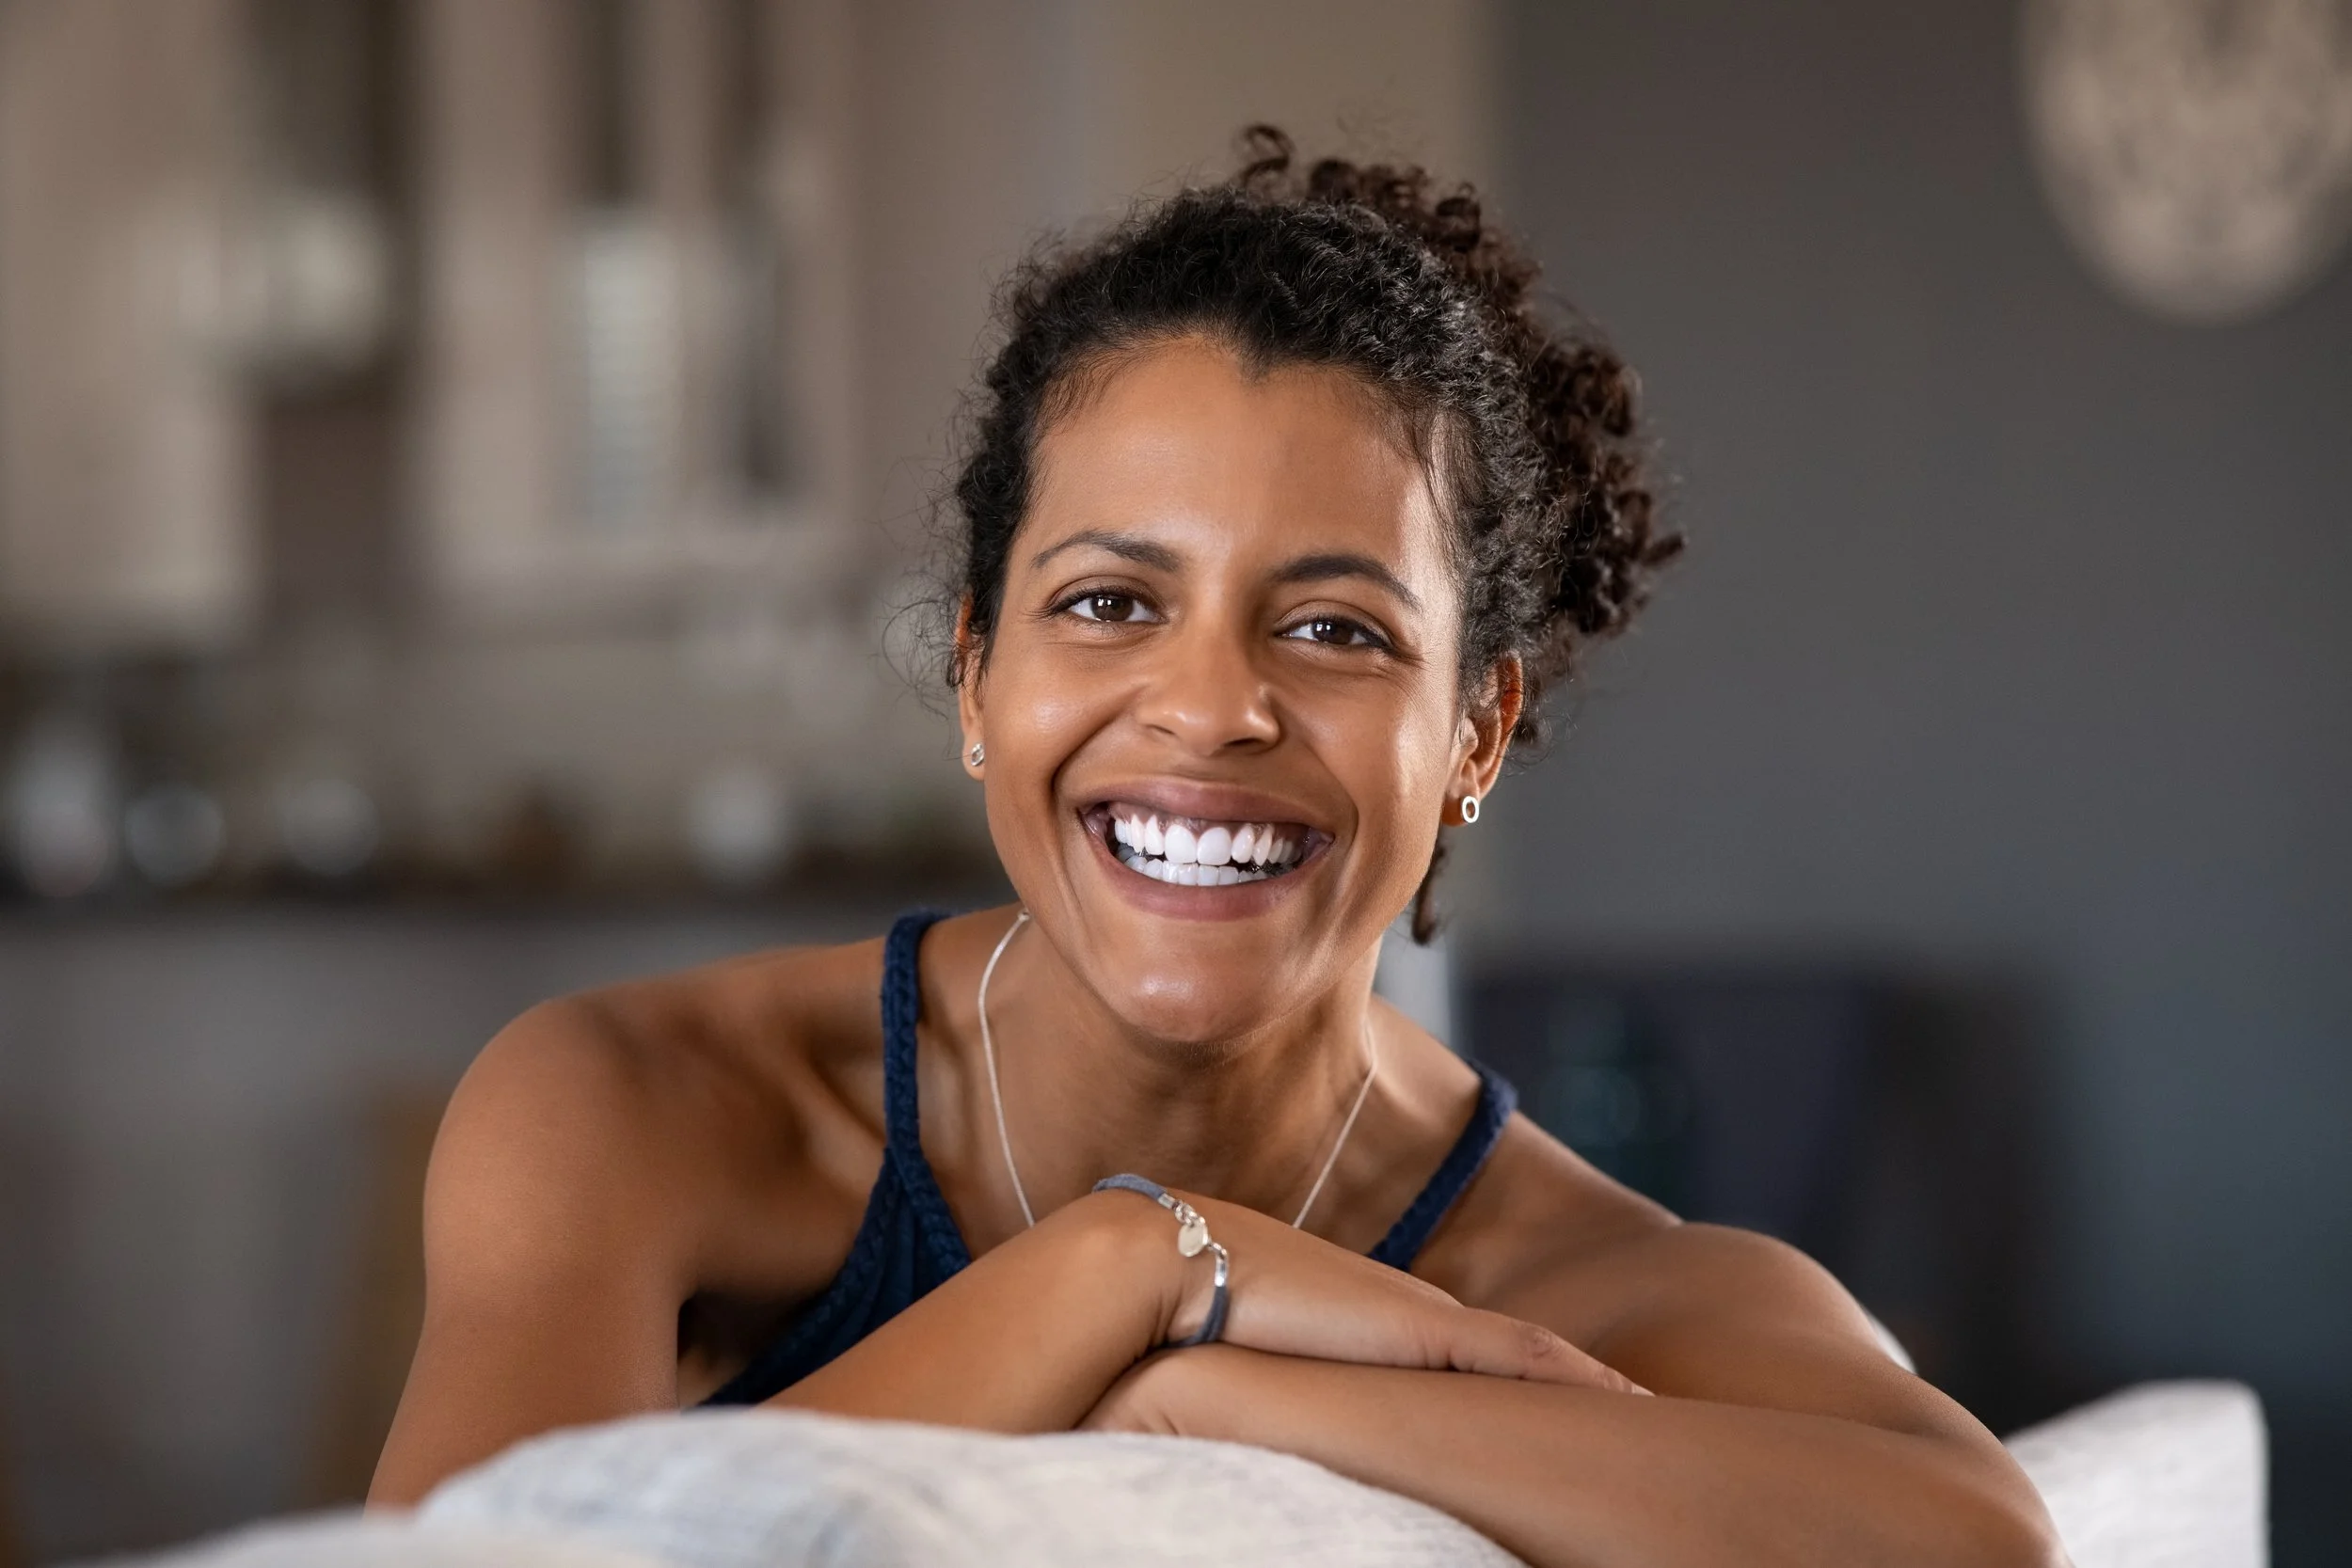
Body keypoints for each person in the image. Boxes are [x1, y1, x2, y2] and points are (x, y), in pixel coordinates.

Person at [371, 130, 2061, 1566]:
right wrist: (1127, 1260)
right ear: (976, 672)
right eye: (1111, 603)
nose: (1210, 708)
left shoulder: (1560, 1282)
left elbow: (1977, 1532)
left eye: (1332, 627)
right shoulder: (638, 1105)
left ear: (1473, 732)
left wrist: (1213, 1385)